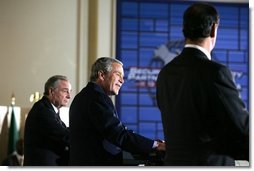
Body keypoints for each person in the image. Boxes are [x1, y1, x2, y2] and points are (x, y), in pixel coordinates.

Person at [156, 3, 249, 166]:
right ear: (213, 29)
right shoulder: (216, 73)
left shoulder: (165, 73)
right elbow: (241, 129)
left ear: (184, 29)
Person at [69, 57, 165, 166]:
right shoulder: (96, 98)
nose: (122, 80)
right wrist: (156, 145)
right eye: (118, 74)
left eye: (123, 76)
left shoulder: (86, 95)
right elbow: (118, 134)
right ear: (102, 75)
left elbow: (117, 131)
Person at [24, 75, 72, 166]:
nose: (69, 96)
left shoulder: (50, 109)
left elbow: (64, 130)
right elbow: (64, 136)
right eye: (65, 91)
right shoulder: (42, 111)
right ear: (51, 91)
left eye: (70, 91)